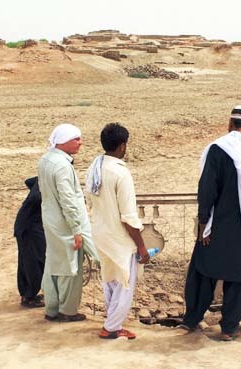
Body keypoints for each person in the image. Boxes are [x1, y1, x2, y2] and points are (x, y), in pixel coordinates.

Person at [180, 105, 241, 341]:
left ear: (230, 124)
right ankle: (229, 328)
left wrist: (203, 225)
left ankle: (191, 321)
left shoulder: (218, 149)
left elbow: (207, 190)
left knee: (202, 273)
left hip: (217, 226)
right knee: (239, 278)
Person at [85, 123, 149, 340]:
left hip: (100, 232)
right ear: (122, 146)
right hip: (118, 237)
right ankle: (112, 327)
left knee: (110, 278)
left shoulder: (95, 167)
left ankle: (112, 323)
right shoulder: (120, 173)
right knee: (124, 282)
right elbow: (129, 217)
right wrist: (141, 246)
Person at [38, 123, 97, 322]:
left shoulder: (46, 159)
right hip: (66, 224)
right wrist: (76, 230)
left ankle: (52, 308)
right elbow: (68, 200)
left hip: (51, 220)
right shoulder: (62, 165)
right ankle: (68, 311)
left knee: (54, 262)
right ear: (63, 141)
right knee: (71, 267)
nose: (80, 143)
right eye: (76, 139)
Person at [14, 176, 46, 308]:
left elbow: (28, 181)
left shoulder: (42, 180)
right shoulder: (43, 188)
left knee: (25, 260)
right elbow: (35, 198)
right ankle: (29, 297)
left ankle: (27, 293)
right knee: (35, 260)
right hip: (30, 227)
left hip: (24, 224)